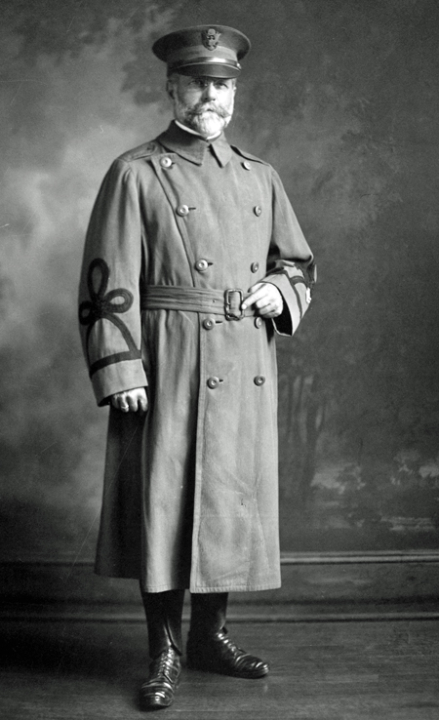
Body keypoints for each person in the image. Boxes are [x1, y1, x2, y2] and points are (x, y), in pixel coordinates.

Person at [78, 24, 315, 711]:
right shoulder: (135, 171)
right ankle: (165, 649)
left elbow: (296, 262)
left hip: (243, 357)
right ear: (171, 87)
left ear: (233, 93)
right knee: (164, 503)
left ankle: (210, 635)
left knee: (225, 504)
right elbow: (105, 279)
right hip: (168, 356)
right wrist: (120, 367)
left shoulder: (258, 175)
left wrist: (281, 290)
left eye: (223, 84)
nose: (211, 95)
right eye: (198, 82)